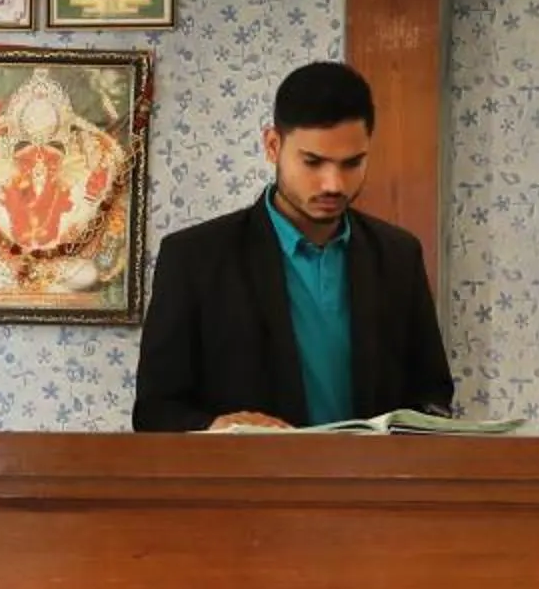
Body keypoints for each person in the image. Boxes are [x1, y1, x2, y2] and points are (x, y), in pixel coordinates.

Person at [131, 61, 455, 432]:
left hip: (373, 470)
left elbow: (432, 394)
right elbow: (154, 411)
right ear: (273, 146)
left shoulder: (399, 255)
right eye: (313, 162)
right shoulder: (194, 258)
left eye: (352, 163)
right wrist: (217, 426)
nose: (333, 184)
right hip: (249, 469)